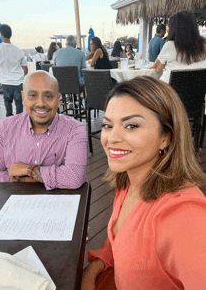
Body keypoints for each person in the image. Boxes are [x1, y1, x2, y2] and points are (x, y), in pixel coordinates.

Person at [81, 76, 206, 290]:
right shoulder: (128, 181)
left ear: (166, 137)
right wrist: (93, 270)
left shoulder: (183, 215)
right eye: (107, 125)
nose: (112, 138)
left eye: (131, 126)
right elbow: (117, 240)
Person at [0, 71, 88, 190]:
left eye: (48, 96)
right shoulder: (4, 128)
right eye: (33, 95)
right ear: (23, 98)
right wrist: (38, 179)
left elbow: (74, 177)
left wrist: (25, 172)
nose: (41, 103)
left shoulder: (74, 129)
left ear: (58, 99)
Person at [152, 10, 206, 84]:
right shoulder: (204, 44)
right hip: (198, 93)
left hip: (170, 93)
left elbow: (157, 69)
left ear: (173, 29)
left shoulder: (170, 45)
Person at [0, 24, 28, 117]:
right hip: (18, 81)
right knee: (19, 104)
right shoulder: (18, 50)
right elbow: (25, 68)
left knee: (8, 103)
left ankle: (9, 122)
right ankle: (20, 122)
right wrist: (24, 77)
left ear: (1, 34)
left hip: (6, 82)